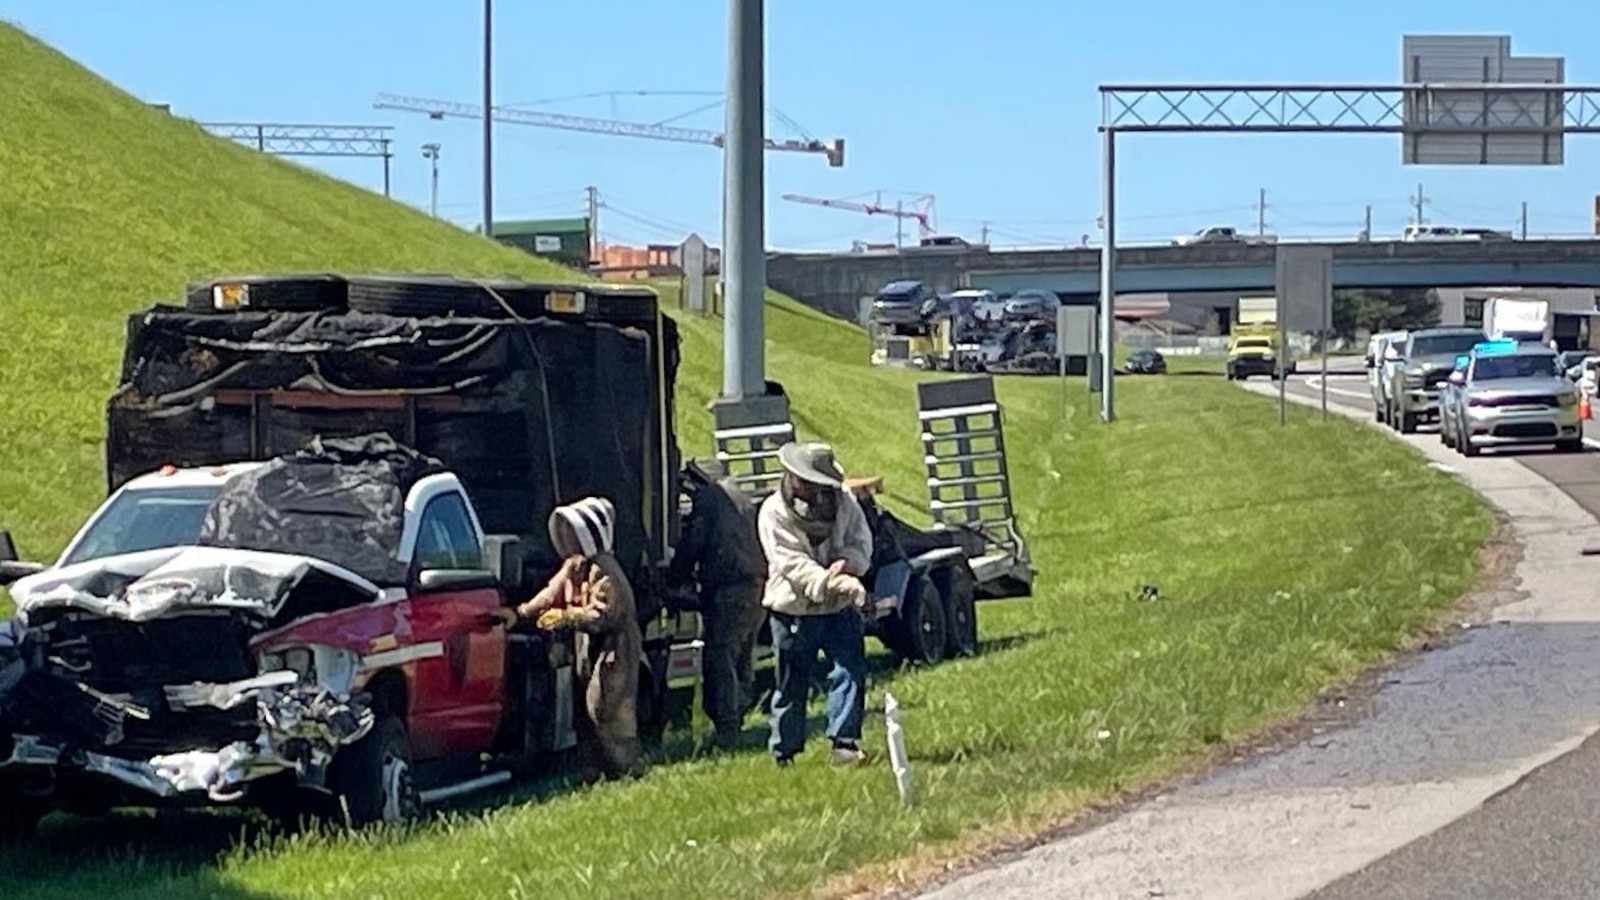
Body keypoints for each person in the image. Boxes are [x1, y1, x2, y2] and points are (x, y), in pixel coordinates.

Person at [505, 497, 643, 783]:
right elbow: (550, 594)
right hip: (588, 646)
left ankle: (627, 769)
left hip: (615, 647)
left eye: (572, 531)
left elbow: (605, 614)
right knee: (583, 711)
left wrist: (566, 616)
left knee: (606, 708)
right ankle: (593, 772)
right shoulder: (573, 566)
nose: (566, 537)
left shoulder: (604, 569)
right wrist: (519, 613)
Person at [757, 441, 874, 767]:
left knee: (850, 671)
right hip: (793, 609)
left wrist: (849, 563)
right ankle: (785, 753)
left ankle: (844, 745)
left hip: (839, 609)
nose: (811, 488)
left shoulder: (846, 503)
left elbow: (861, 542)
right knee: (791, 684)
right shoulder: (774, 512)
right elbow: (789, 562)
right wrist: (829, 581)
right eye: (806, 480)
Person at [666, 459, 768, 752]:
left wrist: (675, 577)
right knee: (742, 655)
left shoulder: (711, 498)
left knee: (719, 657)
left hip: (730, 587)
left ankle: (727, 731)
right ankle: (737, 718)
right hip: (756, 584)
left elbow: (693, 543)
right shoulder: (743, 495)